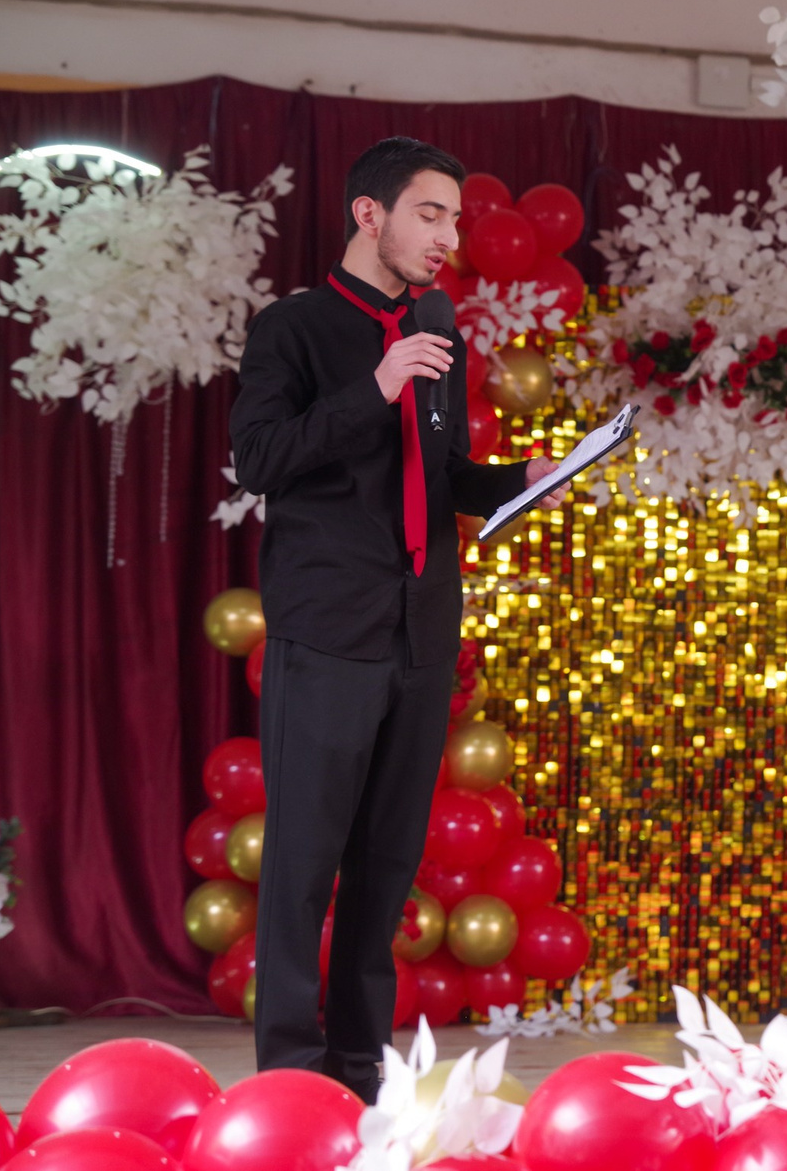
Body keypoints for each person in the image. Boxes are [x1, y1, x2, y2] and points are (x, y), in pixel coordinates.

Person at [231, 137, 565, 1100]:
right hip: (328, 631)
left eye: (454, 218)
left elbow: (443, 474)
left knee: (384, 870)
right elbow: (261, 458)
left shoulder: (434, 325)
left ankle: (360, 1073)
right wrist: (374, 388)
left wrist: (524, 478)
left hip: (421, 632)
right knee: (303, 866)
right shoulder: (292, 329)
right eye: (430, 214)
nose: (449, 235)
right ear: (369, 215)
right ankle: (291, 1080)